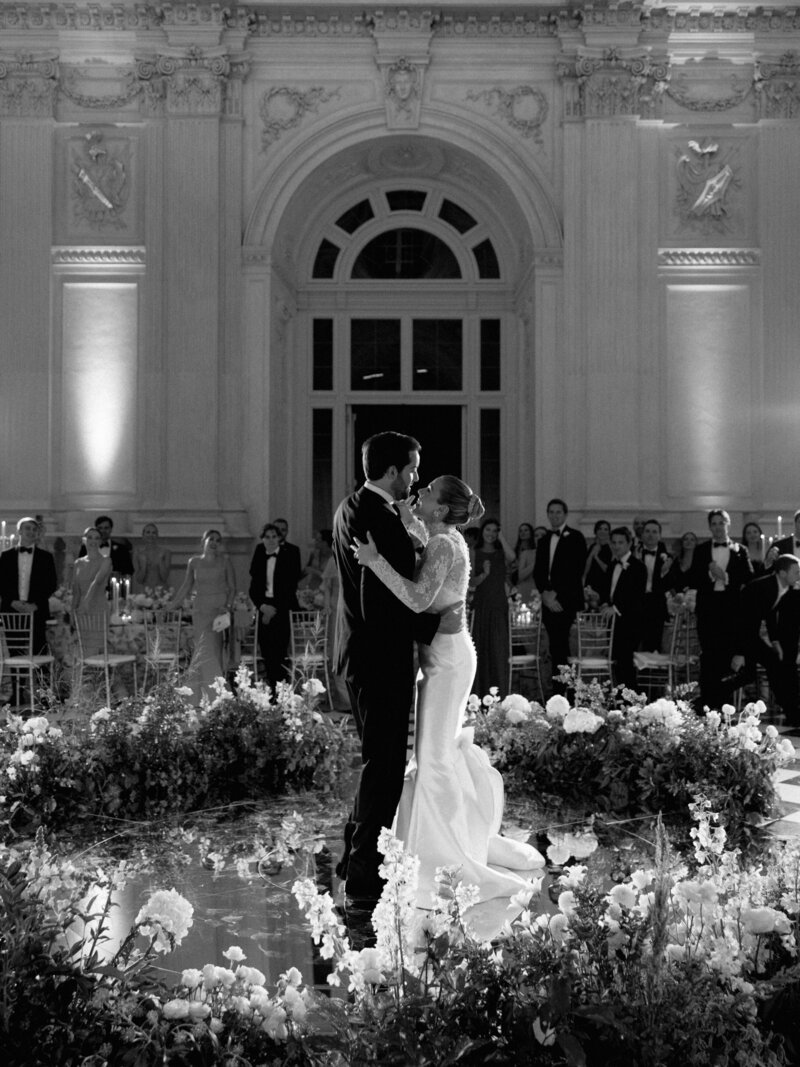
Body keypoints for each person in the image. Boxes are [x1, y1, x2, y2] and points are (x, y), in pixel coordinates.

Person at [353, 474, 544, 915]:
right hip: (446, 655)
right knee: (433, 753)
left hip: (447, 660)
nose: (417, 494)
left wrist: (374, 560)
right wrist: (408, 520)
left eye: (426, 494)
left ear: (439, 509)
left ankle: (445, 859)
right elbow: (428, 547)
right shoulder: (444, 535)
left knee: (434, 757)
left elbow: (420, 599)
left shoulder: (443, 544)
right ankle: (447, 840)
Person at [332, 431, 441, 909]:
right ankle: (363, 874)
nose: (416, 477)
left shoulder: (349, 507)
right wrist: (437, 624)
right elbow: (378, 600)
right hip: (380, 657)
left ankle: (352, 854)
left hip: (361, 653)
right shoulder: (377, 519)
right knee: (386, 765)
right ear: (393, 470)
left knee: (378, 761)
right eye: (412, 469)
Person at [688, 509, 754, 711]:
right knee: (708, 656)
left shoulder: (740, 550)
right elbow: (692, 579)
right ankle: (707, 705)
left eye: (720, 523)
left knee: (726, 657)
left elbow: (749, 579)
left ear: (728, 525)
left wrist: (725, 577)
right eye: (713, 523)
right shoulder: (701, 550)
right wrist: (710, 576)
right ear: (709, 527)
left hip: (731, 611)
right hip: (708, 610)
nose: (717, 527)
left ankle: (724, 707)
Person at [167, 529, 235, 703]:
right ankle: (197, 696)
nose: (214, 542)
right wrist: (171, 605)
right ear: (203, 541)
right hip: (200, 611)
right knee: (202, 649)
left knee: (213, 650)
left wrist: (226, 607)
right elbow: (186, 586)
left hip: (217, 612)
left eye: (218, 540)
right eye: (211, 538)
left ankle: (216, 694)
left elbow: (232, 588)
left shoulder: (225, 561)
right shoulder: (194, 562)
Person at [533, 498, 587, 692]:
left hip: (566, 600)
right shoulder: (544, 539)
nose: (554, 515)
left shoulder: (576, 537)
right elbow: (538, 571)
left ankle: (566, 691)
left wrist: (555, 593)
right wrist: (545, 594)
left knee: (562, 646)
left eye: (558, 512)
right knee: (556, 647)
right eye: (551, 512)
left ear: (565, 514)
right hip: (549, 601)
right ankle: (560, 691)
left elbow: (576, 570)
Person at [740, 554, 800, 727]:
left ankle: (792, 710)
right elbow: (743, 619)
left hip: (750, 635)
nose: (799, 575)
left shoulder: (782, 587)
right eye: (796, 572)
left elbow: (771, 615)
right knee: (746, 673)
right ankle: (706, 700)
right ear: (782, 573)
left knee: (775, 665)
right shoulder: (764, 587)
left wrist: (774, 641)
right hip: (739, 634)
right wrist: (739, 651)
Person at [248, 522, 301, 694]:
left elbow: (290, 586)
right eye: (267, 537)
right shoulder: (259, 553)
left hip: (282, 610)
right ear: (262, 539)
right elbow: (254, 587)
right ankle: (272, 692)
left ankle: (282, 693)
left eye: (274, 536)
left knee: (280, 652)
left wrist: (273, 610)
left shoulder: (289, 554)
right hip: (264, 609)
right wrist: (263, 607)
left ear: (279, 538)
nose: (270, 540)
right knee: (267, 652)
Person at [470, 517, 516, 696]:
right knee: (481, 650)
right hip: (482, 605)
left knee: (499, 650)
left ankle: (501, 693)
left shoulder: (501, 552)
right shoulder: (475, 551)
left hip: (498, 605)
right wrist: (484, 575)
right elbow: (471, 581)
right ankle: (479, 694)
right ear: (482, 531)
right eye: (488, 530)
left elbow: (512, 558)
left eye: (494, 530)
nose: (491, 534)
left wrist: (502, 536)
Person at [0, 516, 57, 655]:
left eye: (34, 529)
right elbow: (1, 582)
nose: (31, 532)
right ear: (19, 531)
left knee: (39, 651)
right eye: (27, 528)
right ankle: (16, 678)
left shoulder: (46, 557)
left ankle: (40, 678)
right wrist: (13, 602)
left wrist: (35, 604)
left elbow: (51, 584)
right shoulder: (5, 556)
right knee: (15, 652)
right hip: (12, 610)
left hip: (36, 610)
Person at [601, 527, 646, 691]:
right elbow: (607, 591)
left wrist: (616, 608)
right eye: (613, 542)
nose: (616, 546)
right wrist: (605, 603)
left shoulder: (638, 567)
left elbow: (636, 596)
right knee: (615, 663)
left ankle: (630, 703)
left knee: (626, 663)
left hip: (629, 623)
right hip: (612, 623)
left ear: (629, 543)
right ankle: (618, 702)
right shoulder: (612, 565)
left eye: (620, 542)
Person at [636, 519, 672, 652]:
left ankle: (652, 672)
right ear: (642, 535)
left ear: (660, 536)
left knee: (653, 643)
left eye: (654, 532)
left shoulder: (667, 558)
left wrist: (664, 573)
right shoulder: (634, 555)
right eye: (647, 531)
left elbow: (671, 584)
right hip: (636, 604)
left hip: (656, 605)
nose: (650, 535)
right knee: (634, 643)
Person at [77, 515, 134, 580]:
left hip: (114, 587)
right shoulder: (86, 548)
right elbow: (80, 569)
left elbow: (129, 571)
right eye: (100, 528)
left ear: (111, 529)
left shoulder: (122, 549)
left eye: (106, 528)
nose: (103, 531)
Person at [72, 527, 113, 614]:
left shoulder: (106, 560)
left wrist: (85, 603)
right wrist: (73, 612)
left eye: (97, 538)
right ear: (84, 540)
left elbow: (97, 582)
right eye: (90, 537)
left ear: (100, 541)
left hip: (99, 607)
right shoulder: (78, 563)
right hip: (80, 609)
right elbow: (76, 592)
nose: (93, 541)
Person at [132, 523, 172, 592]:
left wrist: (160, 561)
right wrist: (143, 566)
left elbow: (165, 577)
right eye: (148, 532)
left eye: (154, 533)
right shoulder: (138, 554)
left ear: (157, 535)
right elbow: (139, 580)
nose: (151, 535)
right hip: (145, 591)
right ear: (143, 535)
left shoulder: (165, 552)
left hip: (161, 591)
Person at [583, 519, 612, 604]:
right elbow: (586, 569)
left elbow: (609, 570)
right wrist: (592, 554)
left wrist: (596, 557)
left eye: (605, 529)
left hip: (604, 584)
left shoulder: (611, 549)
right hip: (591, 582)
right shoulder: (592, 546)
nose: (602, 531)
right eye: (600, 529)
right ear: (596, 531)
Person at [513, 522, 537, 603]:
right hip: (517, 583)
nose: (523, 533)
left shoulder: (534, 549)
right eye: (521, 531)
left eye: (526, 530)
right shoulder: (516, 550)